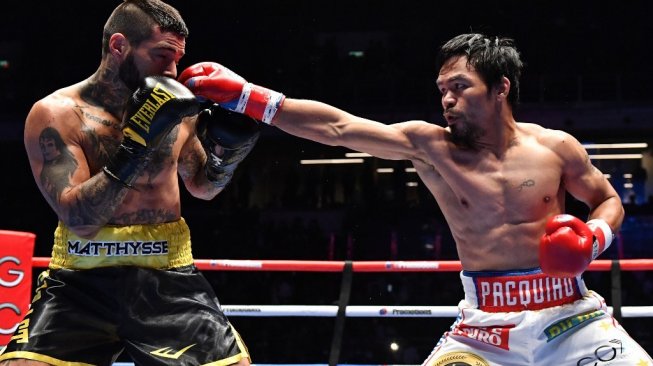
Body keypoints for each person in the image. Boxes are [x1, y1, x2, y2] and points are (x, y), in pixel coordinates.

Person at [177, 33, 653, 364]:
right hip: (485, 326)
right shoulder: (431, 147)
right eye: (442, 90)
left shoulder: (556, 146)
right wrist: (248, 98)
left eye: (460, 87)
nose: (446, 99)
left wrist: (592, 238)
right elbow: (340, 127)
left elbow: (609, 199)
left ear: (501, 88)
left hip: (570, 317)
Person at [0, 1, 258, 365]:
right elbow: (81, 220)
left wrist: (226, 156)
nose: (172, 70)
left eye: (177, 59)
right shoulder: (57, 114)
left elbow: (202, 187)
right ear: (119, 46)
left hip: (167, 279)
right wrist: (138, 143)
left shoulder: (177, 107)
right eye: (161, 56)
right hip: (80, 282)